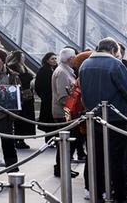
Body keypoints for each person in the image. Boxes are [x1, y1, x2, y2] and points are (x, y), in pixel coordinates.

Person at [79, 38, 127, 203]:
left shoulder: (85, 65)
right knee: (117, 158)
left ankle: (95, 192)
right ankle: (118, 194)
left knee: (95, 156)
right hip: (116, 118)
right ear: (113, 50)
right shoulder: (115, 65)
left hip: (93, 117)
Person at [50, 48, 80, 178]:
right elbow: (63, 97)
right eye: (74, 57)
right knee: (65, 143)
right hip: (64, 113)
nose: (76, 59)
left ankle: (63, 167)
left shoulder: (64, 70)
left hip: (65, 112)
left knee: (66, 143)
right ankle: (61, 168)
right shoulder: (62, 72)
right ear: (70, 59)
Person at [6, 50, 35, 148]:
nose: (24, 59)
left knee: (22, 119)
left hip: (24, 96)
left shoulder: (19, 66)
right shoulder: (15, 67)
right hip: (21, 96)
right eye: (23, 57)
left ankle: (20, 139)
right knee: (20, 119)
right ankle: (19, 140)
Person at [33, 52, 59, 133]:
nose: (54, 60)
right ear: (47, 60)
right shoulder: (43, 70)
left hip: (54, 99)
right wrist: (45, 96)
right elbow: (38, 86)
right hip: (47, 99)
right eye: (52, 59)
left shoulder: (56, 69)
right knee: (48, 121)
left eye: (55, 58)